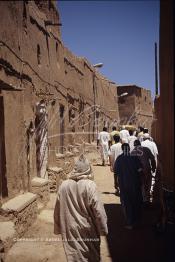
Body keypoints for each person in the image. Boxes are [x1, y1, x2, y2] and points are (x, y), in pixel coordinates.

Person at [54, 154, 108, 262]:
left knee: (73, 255)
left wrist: (58, 228)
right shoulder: (90, 186)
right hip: (88, 229)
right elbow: (99, 211)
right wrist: (102, 229)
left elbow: (57, 210)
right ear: (88, 169)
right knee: (91, 256)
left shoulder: (63, 185)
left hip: (69, 228)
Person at [114, 143, 143, 229]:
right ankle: (135, 220)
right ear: (129, 148)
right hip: (134, 184)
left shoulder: (119, 159)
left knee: (126, 203)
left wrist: (115, 183)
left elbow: (116, 172)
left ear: (122, 149)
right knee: (135, 201)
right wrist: (142, 181)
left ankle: (130, 222)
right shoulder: (134, 157)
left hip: (123, 184)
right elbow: (140, 170)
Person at [131, 140, 156, 204]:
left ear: (135, 145)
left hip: (138, 171)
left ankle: (142, 199)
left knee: (140, 185)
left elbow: (132, 164)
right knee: (148, 184)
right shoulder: (146, 149)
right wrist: (153, 168)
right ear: (140, 144)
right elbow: (152, 159)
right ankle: (146, 199)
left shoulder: (133, 151)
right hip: (147, 169)